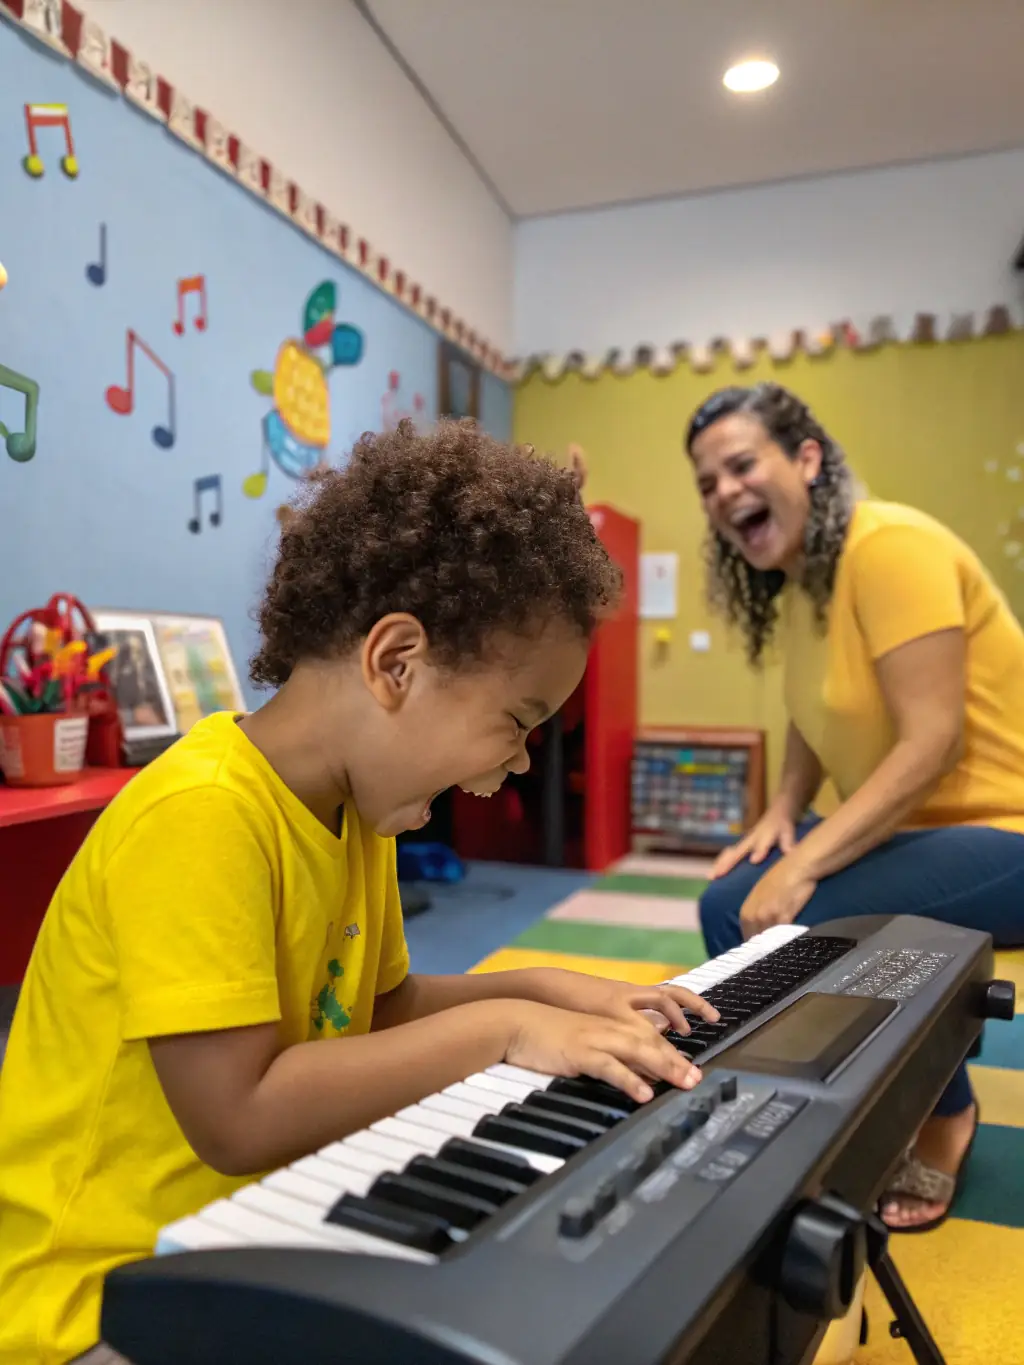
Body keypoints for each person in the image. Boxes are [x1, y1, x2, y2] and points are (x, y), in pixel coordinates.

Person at [0, 419, 717, 1365]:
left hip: (236, 1243)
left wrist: (546, 988)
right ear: (395, 663)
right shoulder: (203, 812)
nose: (520, 758)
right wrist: (502, 1031)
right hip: (90, 1305)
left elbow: (381, 1008)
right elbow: (239, 1115)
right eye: (517, 719)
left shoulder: (357, 810)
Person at [687, 382, 1024, 1234]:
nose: (724, 492)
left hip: (1005, 827)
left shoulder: (891, 546)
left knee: (815, 913)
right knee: (727, 902)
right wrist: (784, 809)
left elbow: (931, 742)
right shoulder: (802, 583)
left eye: (741, 465)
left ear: (806, 459)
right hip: (916, 829)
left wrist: (804, 857)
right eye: (706, 483)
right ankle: (808, 1098)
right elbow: (817, 709)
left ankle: (945, 1110)